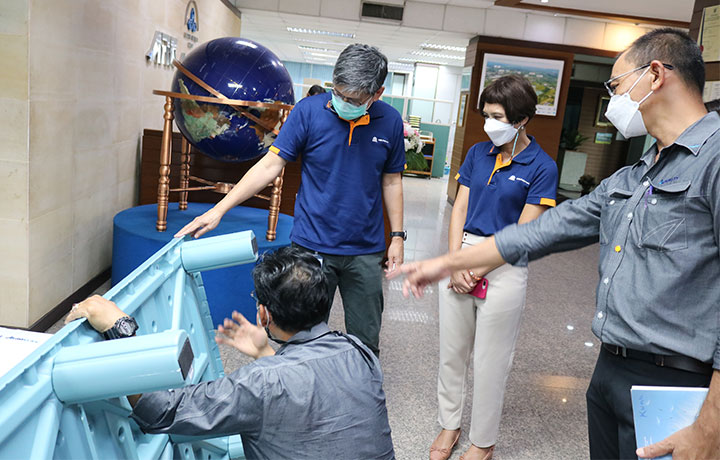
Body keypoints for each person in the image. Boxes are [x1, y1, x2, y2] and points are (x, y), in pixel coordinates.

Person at [391, 28, 720, 460]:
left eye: (616, 85)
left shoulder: (714, 161)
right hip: (612, 369)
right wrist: (449, 262)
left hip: (679, 383)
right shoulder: (637, 173)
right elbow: (547, 229)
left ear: (655, 75)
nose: (613, 100)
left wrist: (710, 425)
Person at [175, 44, 406, 356]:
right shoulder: (308, 111)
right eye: (338, 93)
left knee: (365, 344)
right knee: (300, 340)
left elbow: (392, 180)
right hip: (311, 245)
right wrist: (219, 210)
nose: (342, 103)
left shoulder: (390, 121)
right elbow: (270, 165)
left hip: (364, 250)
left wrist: (397, 236)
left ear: (377, 94)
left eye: (353, 100)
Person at [65, 247, 395, 460]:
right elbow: (309, 403)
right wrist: (266, 353)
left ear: (264, 314)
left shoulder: (261, 383)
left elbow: (159, 411)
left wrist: (120, 327)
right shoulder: (361, 352)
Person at [430, 75, 558, 460]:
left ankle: (482, 442)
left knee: (491, 361)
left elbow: (523, 232)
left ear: (521, 120)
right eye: (486, 115)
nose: (489, 123)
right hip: (463, 255)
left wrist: (476, 269)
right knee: (451, 352)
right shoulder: (477, 153)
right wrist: (456, 261)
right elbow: (460, 209)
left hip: (505, 263)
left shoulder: (542, 166)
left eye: (497, 117)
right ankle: (449, 424)